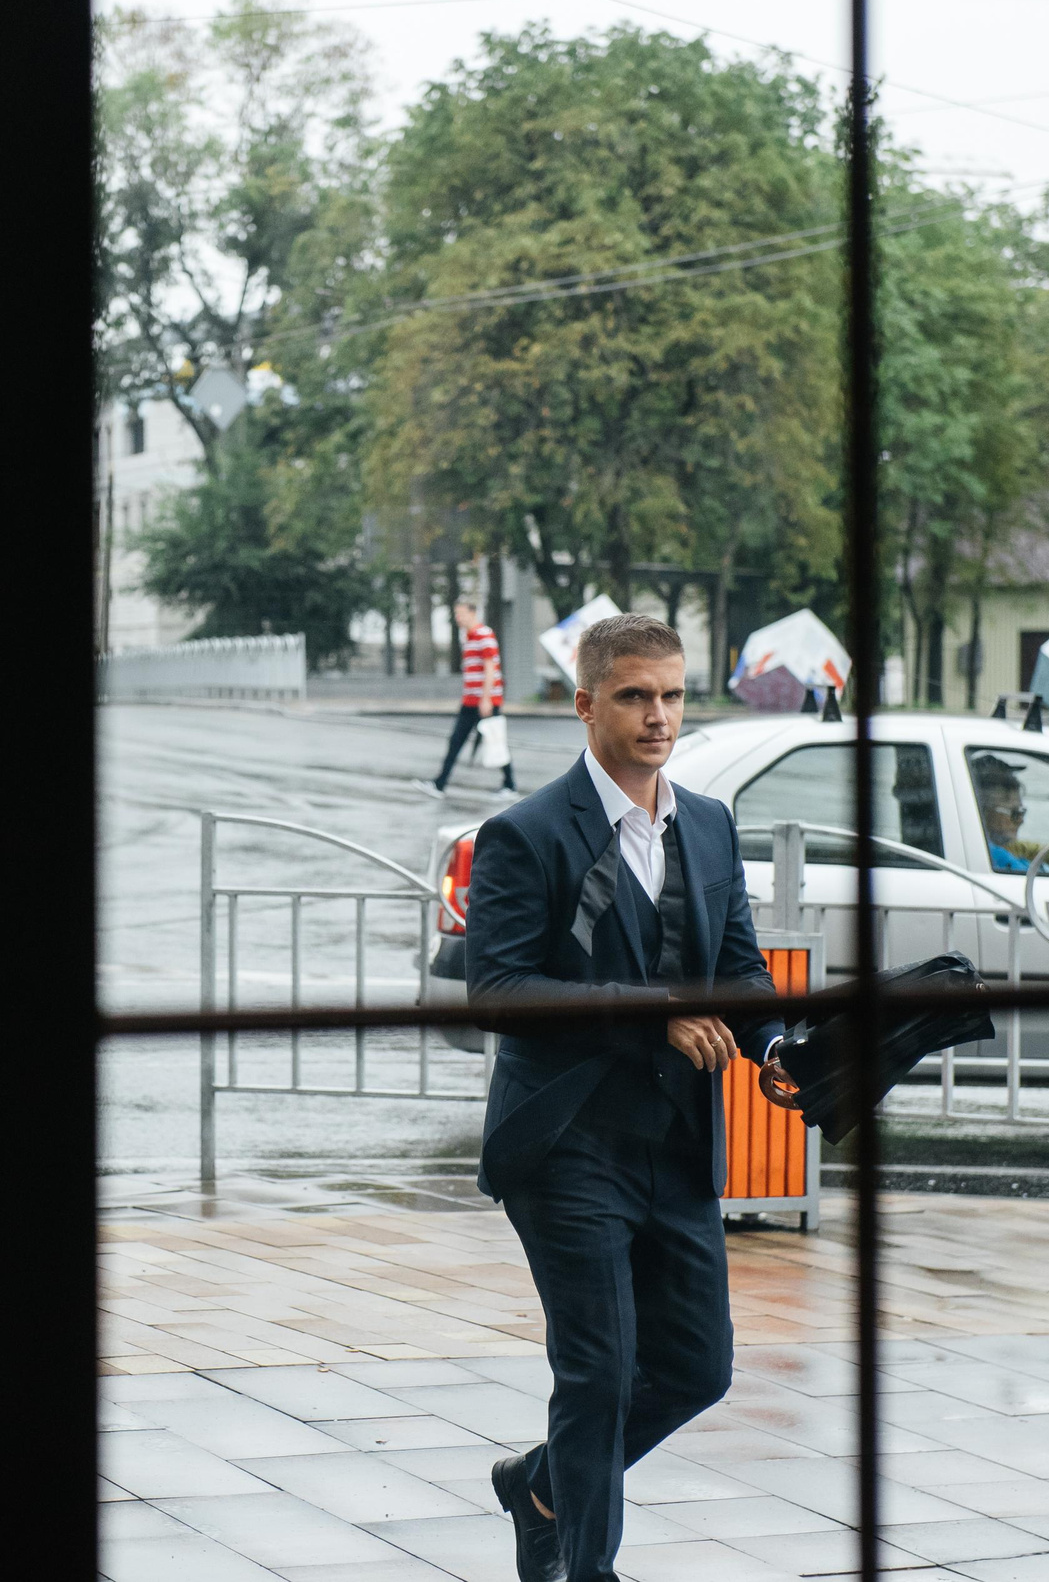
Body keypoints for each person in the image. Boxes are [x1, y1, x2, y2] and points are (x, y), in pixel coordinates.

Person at [463, 613, 785, 1582]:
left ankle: (541, 1486)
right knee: (598, 1371)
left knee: (696, 1366)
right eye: (636, 695)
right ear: (586, 703)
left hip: (676, 1141)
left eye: (674, 694)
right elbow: (500, 991)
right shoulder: (523, 834)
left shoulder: (711, 823)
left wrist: (777, 1045)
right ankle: (582, 1564)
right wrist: (651, 1014)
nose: (659, 716)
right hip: (564, 1142)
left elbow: (736, 972)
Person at [418, 600, 518, 797]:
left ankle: (510, 785)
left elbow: (491, 669)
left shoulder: (484, 635)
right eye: (456, 614)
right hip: (471, 701)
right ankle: (440, 784)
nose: (458, 618)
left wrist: (486, 699)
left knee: (495, 742)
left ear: (473, 613)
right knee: (457, 741)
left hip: (484, 702)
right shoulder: (469, 638)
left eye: (461, 614)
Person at [974, 754, 1034, 872]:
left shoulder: (987, 848)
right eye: (1015, 813)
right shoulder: (995, 856)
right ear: (984, 813)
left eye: (1022, 812)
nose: (1021, 820)